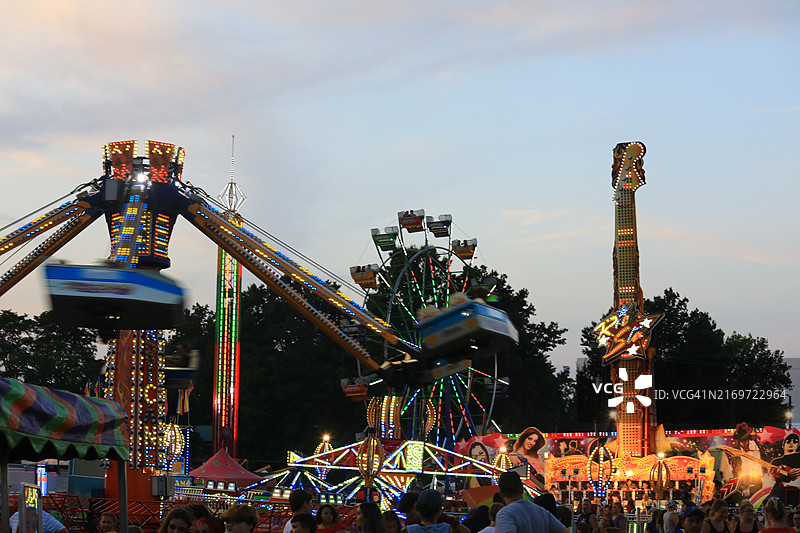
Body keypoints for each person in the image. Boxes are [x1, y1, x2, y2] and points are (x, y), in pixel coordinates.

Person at [494, 471, 567, 533]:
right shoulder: (542, 511)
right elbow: (564, 531)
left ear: (501, 493)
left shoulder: (505, 514)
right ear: (522, 489)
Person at [398, 492, 469, 533]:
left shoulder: (408, 529)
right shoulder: (447, 527)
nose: (407, 515)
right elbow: (465, 530)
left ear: (417, 507)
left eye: (409, 511)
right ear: (439, 511)